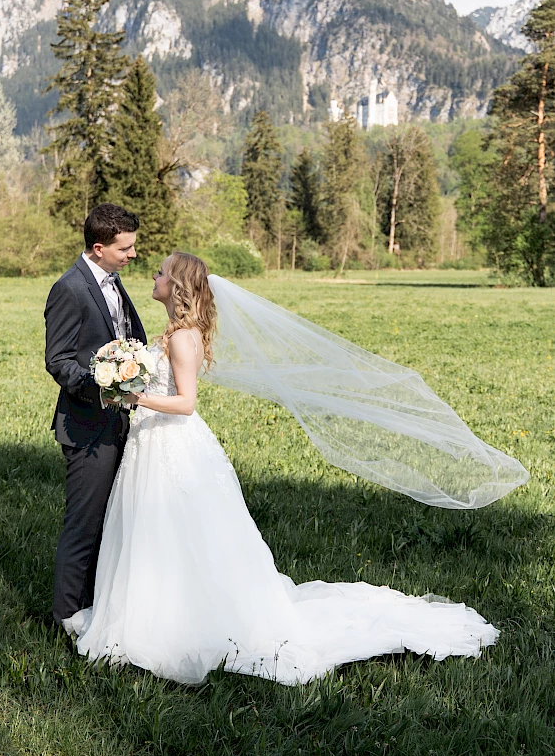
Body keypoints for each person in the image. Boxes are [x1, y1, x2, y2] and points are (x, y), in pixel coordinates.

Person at [63, 252, 499, 686]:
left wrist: (131, 395)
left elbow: (186, 403)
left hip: (169, 441)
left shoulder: (180, 338)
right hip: (154, 442)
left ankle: (170, 623)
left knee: (171, 528)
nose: (153, 276)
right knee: (160, 530)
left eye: (161, 272)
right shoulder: (179, 332)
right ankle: (152, 613)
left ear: (176, 286)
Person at [44, 203, 146, 627]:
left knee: (110, 522)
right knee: (84, 526)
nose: (133, 254)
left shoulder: (113, 280)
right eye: (126, 248)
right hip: (87, 424)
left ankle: (96, 608)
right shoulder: (69, 288)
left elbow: (127, 336)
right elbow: (59, 360)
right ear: (99, 247)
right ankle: (65, 618)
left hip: (119, 423)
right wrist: (105, 384)